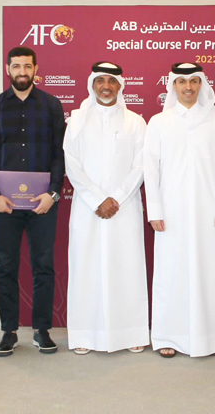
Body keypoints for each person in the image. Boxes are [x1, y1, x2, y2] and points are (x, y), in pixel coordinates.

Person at [0, 46, 65, 357]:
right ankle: (8, 331)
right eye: (16, 66)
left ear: (36, 69)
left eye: (27, 66)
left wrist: (53, 193)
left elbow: (59, 154)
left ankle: (42, 330)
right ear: (8, 69)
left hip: (42, 203)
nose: (22, 72)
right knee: (6, 267)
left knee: (43, 266)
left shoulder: (52, 106)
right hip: (5, 205)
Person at [143, 63, 215, 358]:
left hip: (209, 212)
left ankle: (211, 338)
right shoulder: (159, 121)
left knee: (210, 271)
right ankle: (169, 337)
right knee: (171, 274)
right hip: (170, 213)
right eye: (182, 82)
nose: (188, 87)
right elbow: (150, 170)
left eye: (194, 81)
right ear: (173, 85)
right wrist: (154, 210)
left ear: (201, 85)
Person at [63, 61, 149, 355]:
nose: (106, 87)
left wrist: (117, 197)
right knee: (87, 268)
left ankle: (131, 333)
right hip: (88, 208)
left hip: (124, 208)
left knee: (127, 267)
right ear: (92, 84)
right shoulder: (76, 120)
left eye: (111, 82)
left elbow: (141, 164)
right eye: (100, 81)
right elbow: (71, 164)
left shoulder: (136, 121)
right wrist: (97, 198)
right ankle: (86, 335)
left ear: (120, 86)